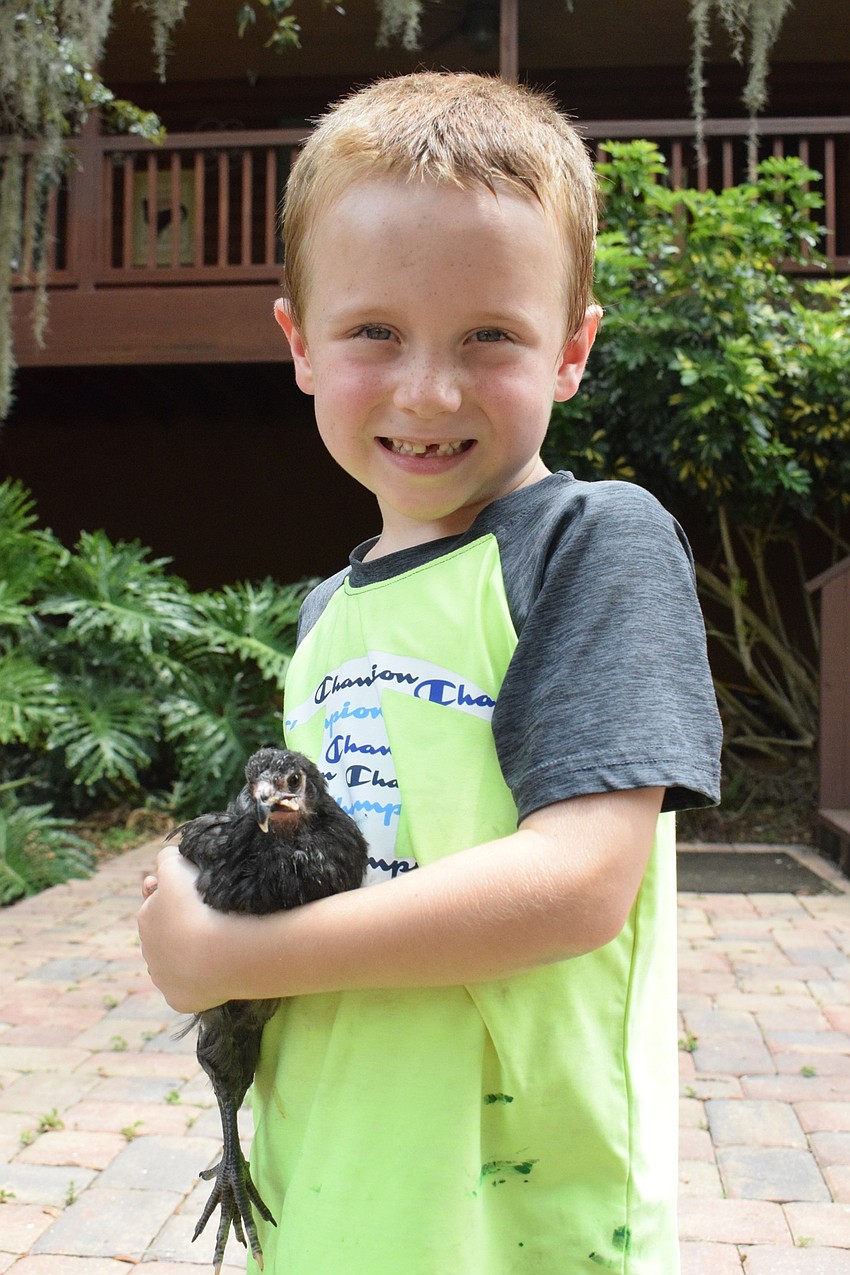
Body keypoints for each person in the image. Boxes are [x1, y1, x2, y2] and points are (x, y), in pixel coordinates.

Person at [138, 71, 722, 1275]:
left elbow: (577, 885)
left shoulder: (586, 543)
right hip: (330, 1181)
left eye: (489, 337)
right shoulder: (327, 613)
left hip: (514, 1215)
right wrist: (192, 880)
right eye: (373, 333)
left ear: (571, 350)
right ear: (300, 344)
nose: (427, 389)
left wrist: (226, 957)